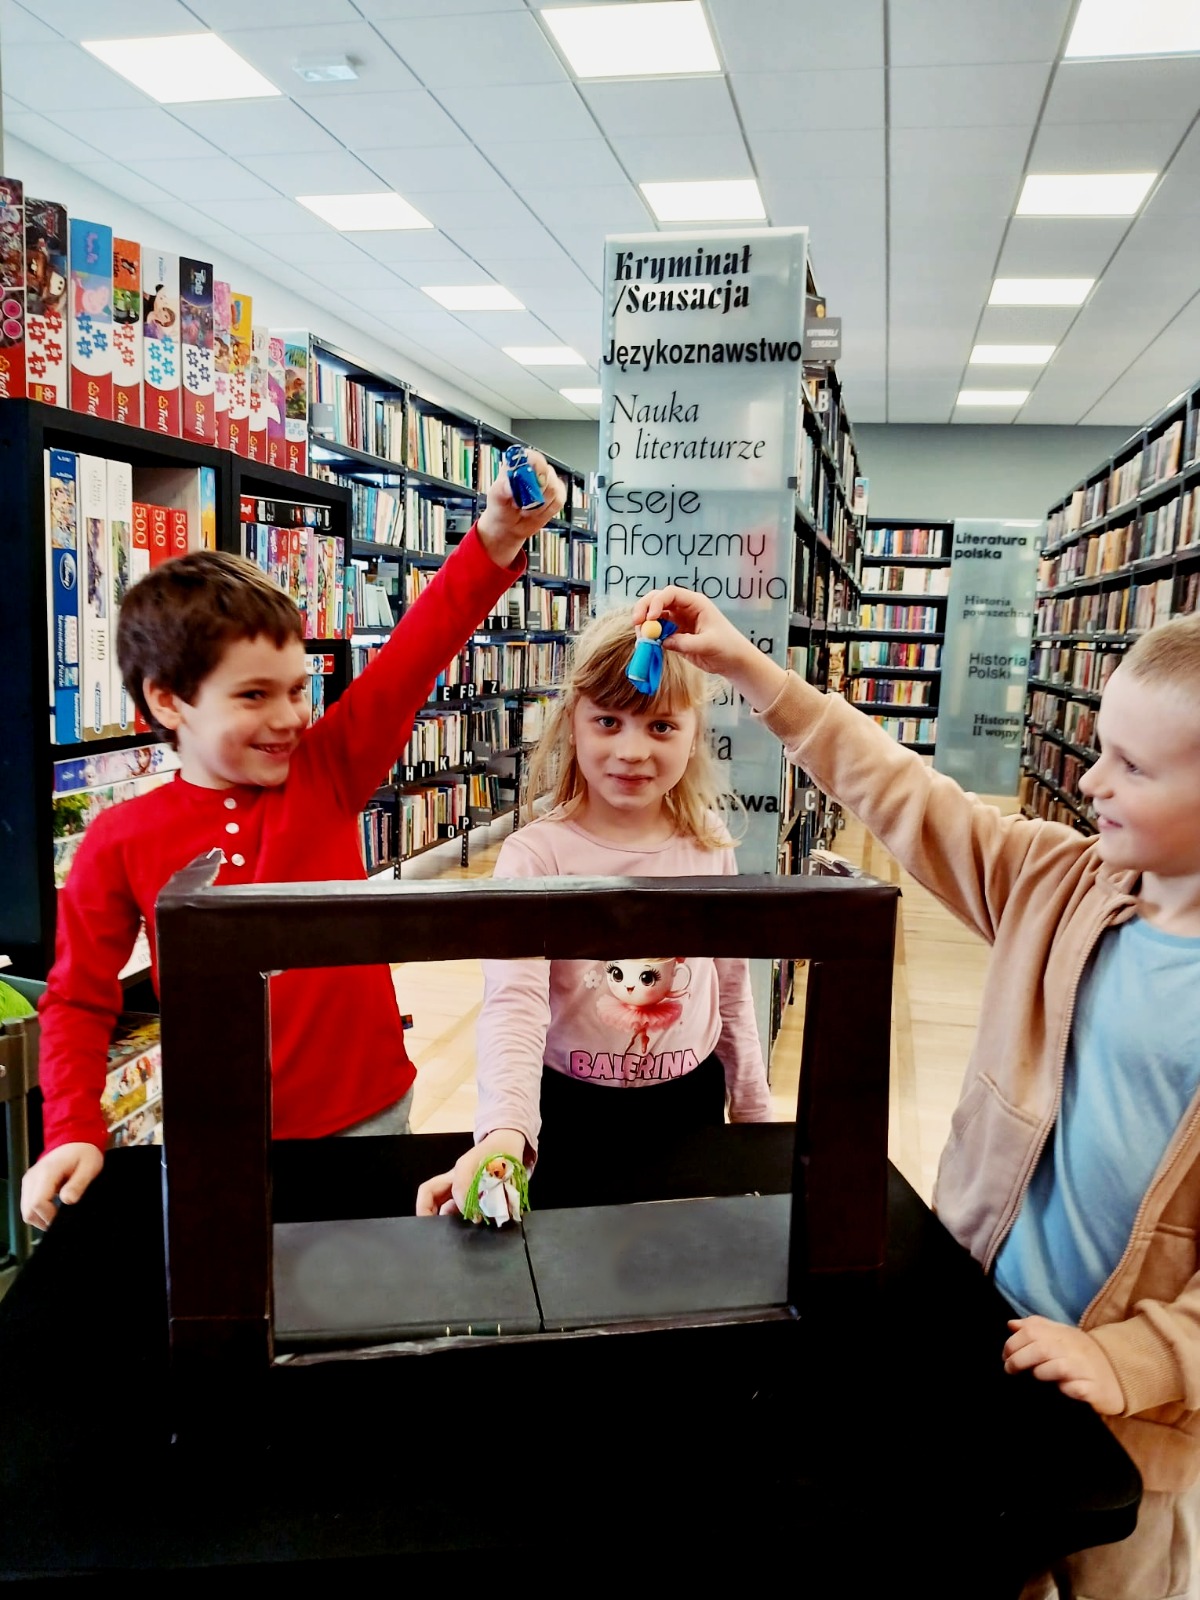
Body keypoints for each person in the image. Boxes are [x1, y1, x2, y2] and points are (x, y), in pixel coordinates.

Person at [629, 584, 1200, 1599]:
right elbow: (907, 794)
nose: (1091, 777)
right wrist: (754, 674)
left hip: (1142, 1419)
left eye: (1134, 766)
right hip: (987, 1331)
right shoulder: (1063, 883)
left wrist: (1139, 1358)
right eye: (1100, 745)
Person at [22, 454, 566, 1230]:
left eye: (298, 688)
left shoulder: (329, 770)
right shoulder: (118, 839)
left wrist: (498, 535)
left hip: (370, 1110)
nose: (289, 717)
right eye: (254, 695)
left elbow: (417, 651)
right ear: (169, 700)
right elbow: (79, 998)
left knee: (366, 1307)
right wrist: (70, 1129)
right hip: (219, 1129)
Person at [415, 607, 772, 1219]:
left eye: (661, 727)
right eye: (609, 721)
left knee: (678, 1256)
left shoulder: (708, 843)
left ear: (694, 733)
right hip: (568, 1110)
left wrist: (753, 1105)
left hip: (688, 1102)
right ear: (573, 724)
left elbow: (729, 983)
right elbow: (514, 1004)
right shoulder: (537, 856)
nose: (632, 750)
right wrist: (504, 1130)